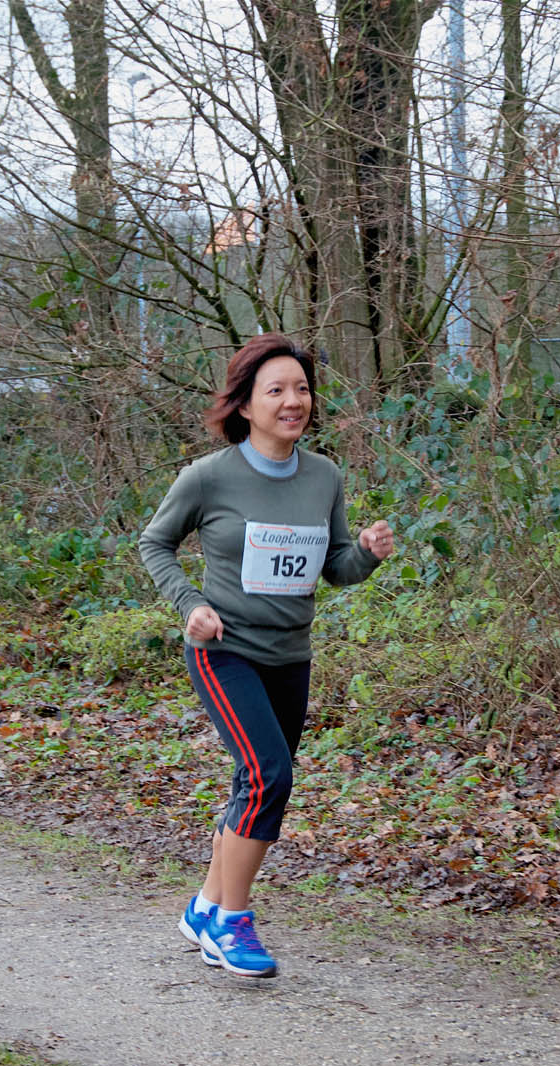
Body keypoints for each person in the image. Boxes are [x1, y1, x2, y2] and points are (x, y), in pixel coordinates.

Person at [139, 333, 395, 978]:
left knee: (252, 781)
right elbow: (155, 543)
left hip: (290, 654)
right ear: (246, 404)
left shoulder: (324, 477)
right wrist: (189, 603)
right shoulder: (209, 476)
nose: (292, 401)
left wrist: (365, 553)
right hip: (224, 651)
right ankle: (231, 923)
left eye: (301, 389)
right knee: (269, 777)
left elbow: (335, 567)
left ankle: (204, 906)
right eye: (276, 390)